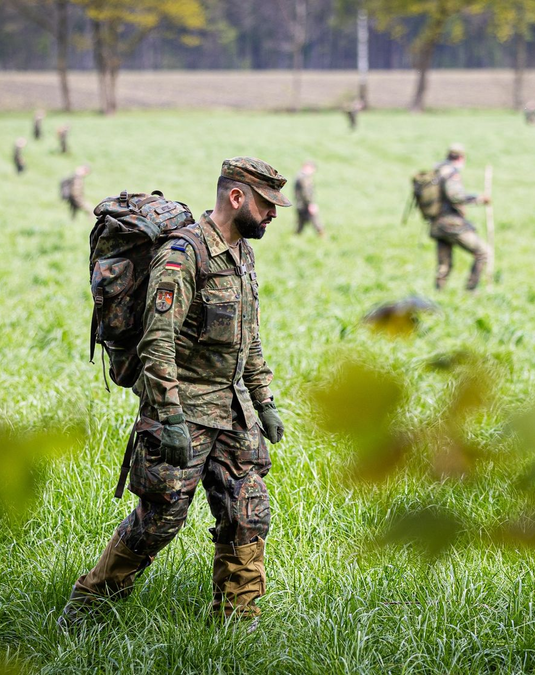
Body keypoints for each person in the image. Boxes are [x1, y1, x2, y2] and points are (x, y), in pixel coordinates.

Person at [61, 156, 289, 627]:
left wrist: (263, 400)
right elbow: (156, 342)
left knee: (248, 512)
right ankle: (86, 608)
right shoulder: (183, 256)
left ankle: (236, 622)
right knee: (159, 520)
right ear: (236, 197)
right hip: (184, 410)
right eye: (267, 204)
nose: (273, 214)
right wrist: (171, 418)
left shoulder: (242, 252)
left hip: (234, 411)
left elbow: (250, 337)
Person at [427, 143, 491, 292]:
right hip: (451, 223)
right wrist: (478, 198)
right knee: (483, 253)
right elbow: (456, 196)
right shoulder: (451, 172)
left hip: (436, 223)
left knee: (444, 264)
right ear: (461, 157)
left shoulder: (437, 170)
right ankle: (471, 290)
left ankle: (439, 293)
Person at [293, 160, 324, 237]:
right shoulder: (304, 177)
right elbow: (306, 192)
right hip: (305, 205)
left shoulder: (299, 176)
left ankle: (295, 239)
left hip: (300, 205)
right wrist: (311, 204)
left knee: (300, 225)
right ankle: (323, 238)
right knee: (316, 222)